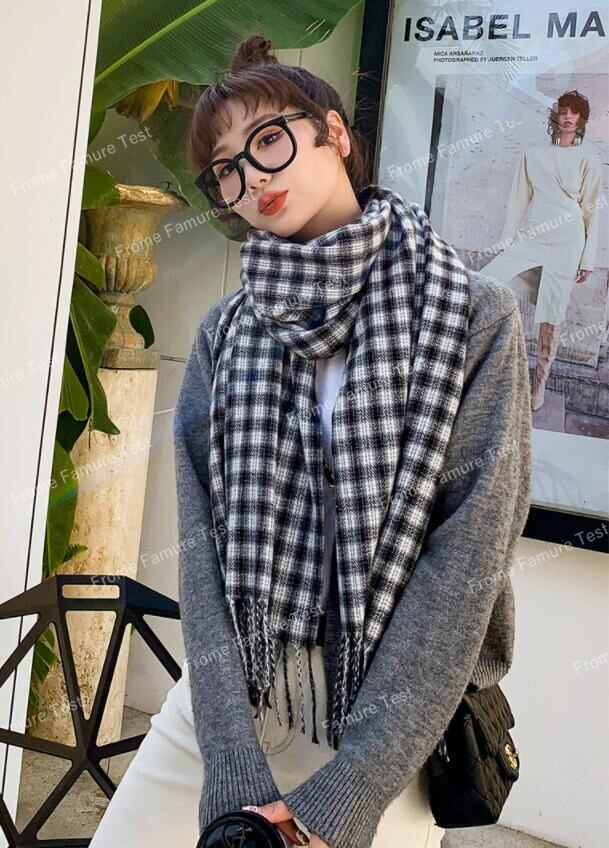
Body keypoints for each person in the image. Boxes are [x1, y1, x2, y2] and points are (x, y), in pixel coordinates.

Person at [90, 33, 532, 848]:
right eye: (226, 170)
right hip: (234, 702)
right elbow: (202, 547)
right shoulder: (227, 332)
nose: (251, 179)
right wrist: (230, 757)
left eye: (268, 141)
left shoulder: (473, 316)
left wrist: (353, 786)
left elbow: (465, 563)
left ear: (333, 133)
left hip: (385, 730)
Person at [483, 90, 603, 411]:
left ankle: (539, 386)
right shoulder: (533, 154)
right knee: (490, 282)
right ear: (555, 116)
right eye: (563, 111)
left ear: (581, 120)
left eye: (574, 113)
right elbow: (518, 199)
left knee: (551, 312)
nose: (568, 117)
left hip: (568, 242)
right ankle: (494, 368)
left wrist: (587, 258)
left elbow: (591, 210)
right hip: (535, 236)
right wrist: (508, 241)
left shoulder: (588, 159)